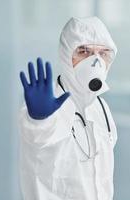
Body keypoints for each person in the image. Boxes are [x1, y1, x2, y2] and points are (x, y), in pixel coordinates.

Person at [19, 16, 118, 200]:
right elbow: (39, 135)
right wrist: (39, 119)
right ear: (66, 54)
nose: (95, 62)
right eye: (84, 51)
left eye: (103, 53)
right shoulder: (47, 107)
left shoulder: (102, 109)